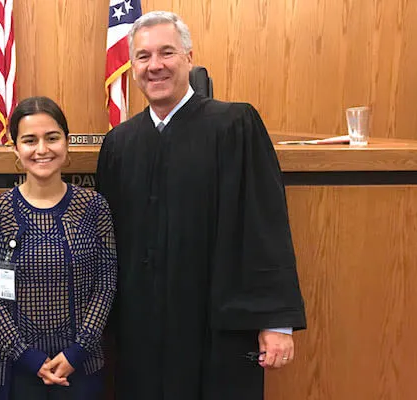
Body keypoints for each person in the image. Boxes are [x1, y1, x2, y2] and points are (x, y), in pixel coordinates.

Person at [95, 11, 307, 400]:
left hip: (217, 328)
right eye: (143, 57)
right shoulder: (120, 144)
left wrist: (276, 321)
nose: (154, 66)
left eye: (166, 53)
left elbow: (265, 223)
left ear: (189, 58)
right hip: (143, 331)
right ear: (132, 67)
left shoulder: (234, 125)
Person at [0, 96, 117, 400]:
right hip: (16, 368)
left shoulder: (94, 207)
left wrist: (77, 351)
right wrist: (26, 356)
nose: (42, 149)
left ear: (66, 143)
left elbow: (106, 283)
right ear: (15, 147)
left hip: (81, 364)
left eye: (52, 138)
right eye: (29, 140)